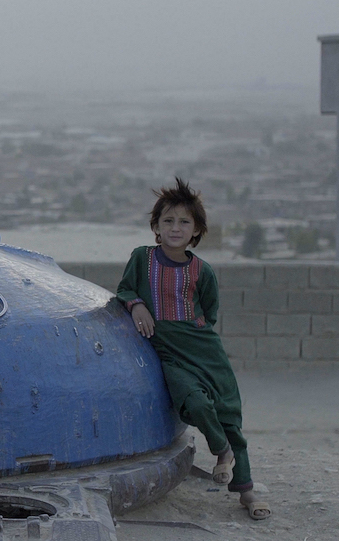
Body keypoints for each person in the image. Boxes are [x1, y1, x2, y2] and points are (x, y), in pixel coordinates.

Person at [116, 178, 271, 521]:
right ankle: (221, 450)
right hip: (169, 354)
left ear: (197, 229)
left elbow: (209, 313)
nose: (175, 227)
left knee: (228, 412)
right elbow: (125, 289)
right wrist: (137, 304)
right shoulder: (141, 259)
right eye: (168, 221)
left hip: (204, 350)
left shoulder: (203, 271)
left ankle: (246, 491)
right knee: (196, 402)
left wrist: (191, 331)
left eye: (184, 221)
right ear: (155, 226)